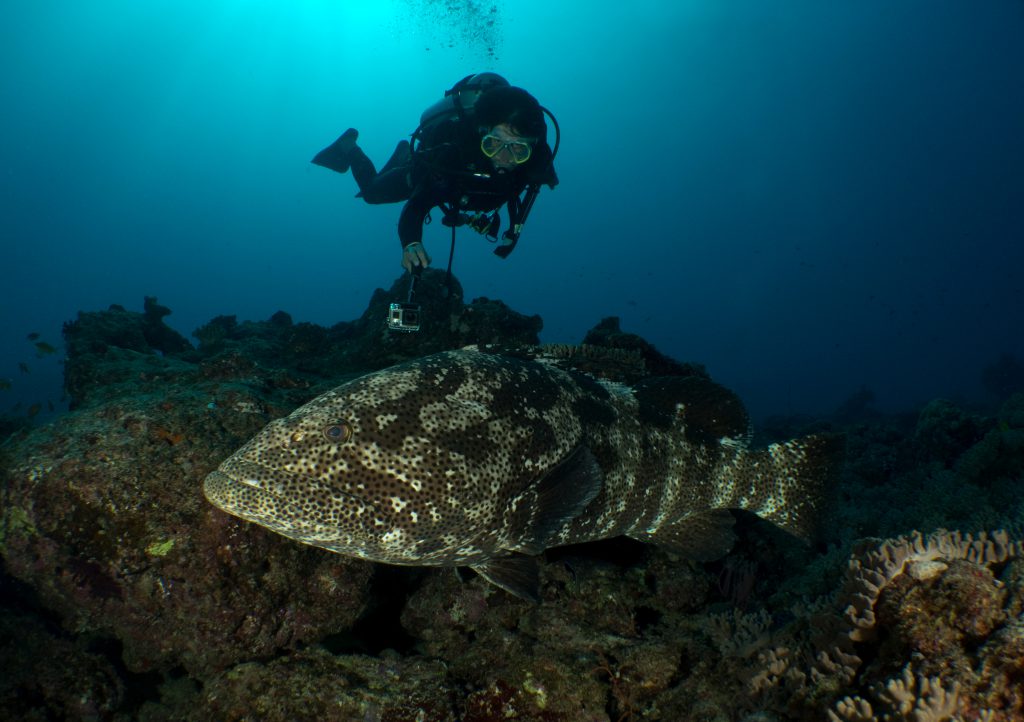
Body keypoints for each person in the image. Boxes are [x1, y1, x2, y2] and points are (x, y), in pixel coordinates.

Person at [312, 73, 559, 274]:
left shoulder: (535, 166)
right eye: (494, 144)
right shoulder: (456, 154)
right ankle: (350, 147)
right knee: (371, 193)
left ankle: (398, 155)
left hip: (458, 193)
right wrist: (411, 242)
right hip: (426, 172)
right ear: (482, 134)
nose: (504, 159)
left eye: (518, 149)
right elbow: (418, 205)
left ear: (532, 147)